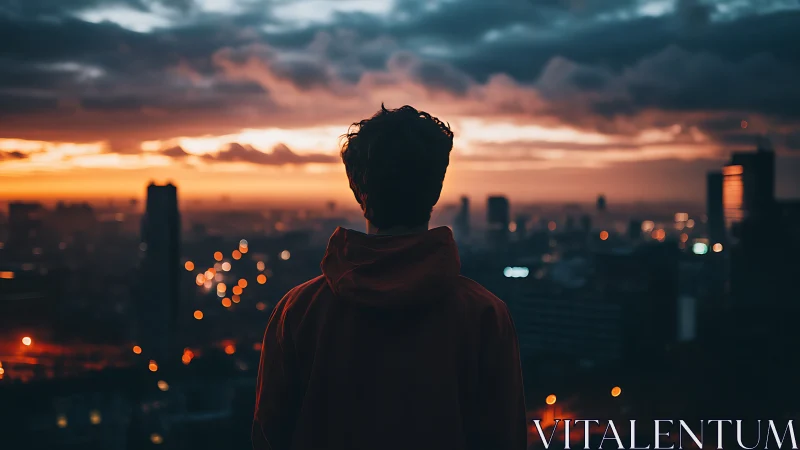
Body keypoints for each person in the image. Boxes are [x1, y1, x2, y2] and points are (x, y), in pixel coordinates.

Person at [252, 104, 527, 450]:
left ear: (357, 189)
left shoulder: (298, 312)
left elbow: (269, 436)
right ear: (436, 189)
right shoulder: (485, 316)